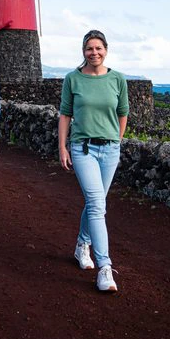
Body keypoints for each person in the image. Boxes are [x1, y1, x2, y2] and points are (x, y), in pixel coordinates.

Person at [58, 29, 129, 292]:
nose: (94, 53)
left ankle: (81, 245)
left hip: (110, 150)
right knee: (98, 205)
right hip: (83, 148)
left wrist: (116, 141)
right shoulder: (72, 79)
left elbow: (123, 113)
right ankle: (105, 268)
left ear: (106, 50)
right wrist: (62, 148)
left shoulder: (118, 79)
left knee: (95, 202)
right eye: (89, 48)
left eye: (98, 48)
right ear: (83, 51)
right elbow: (65, 114)